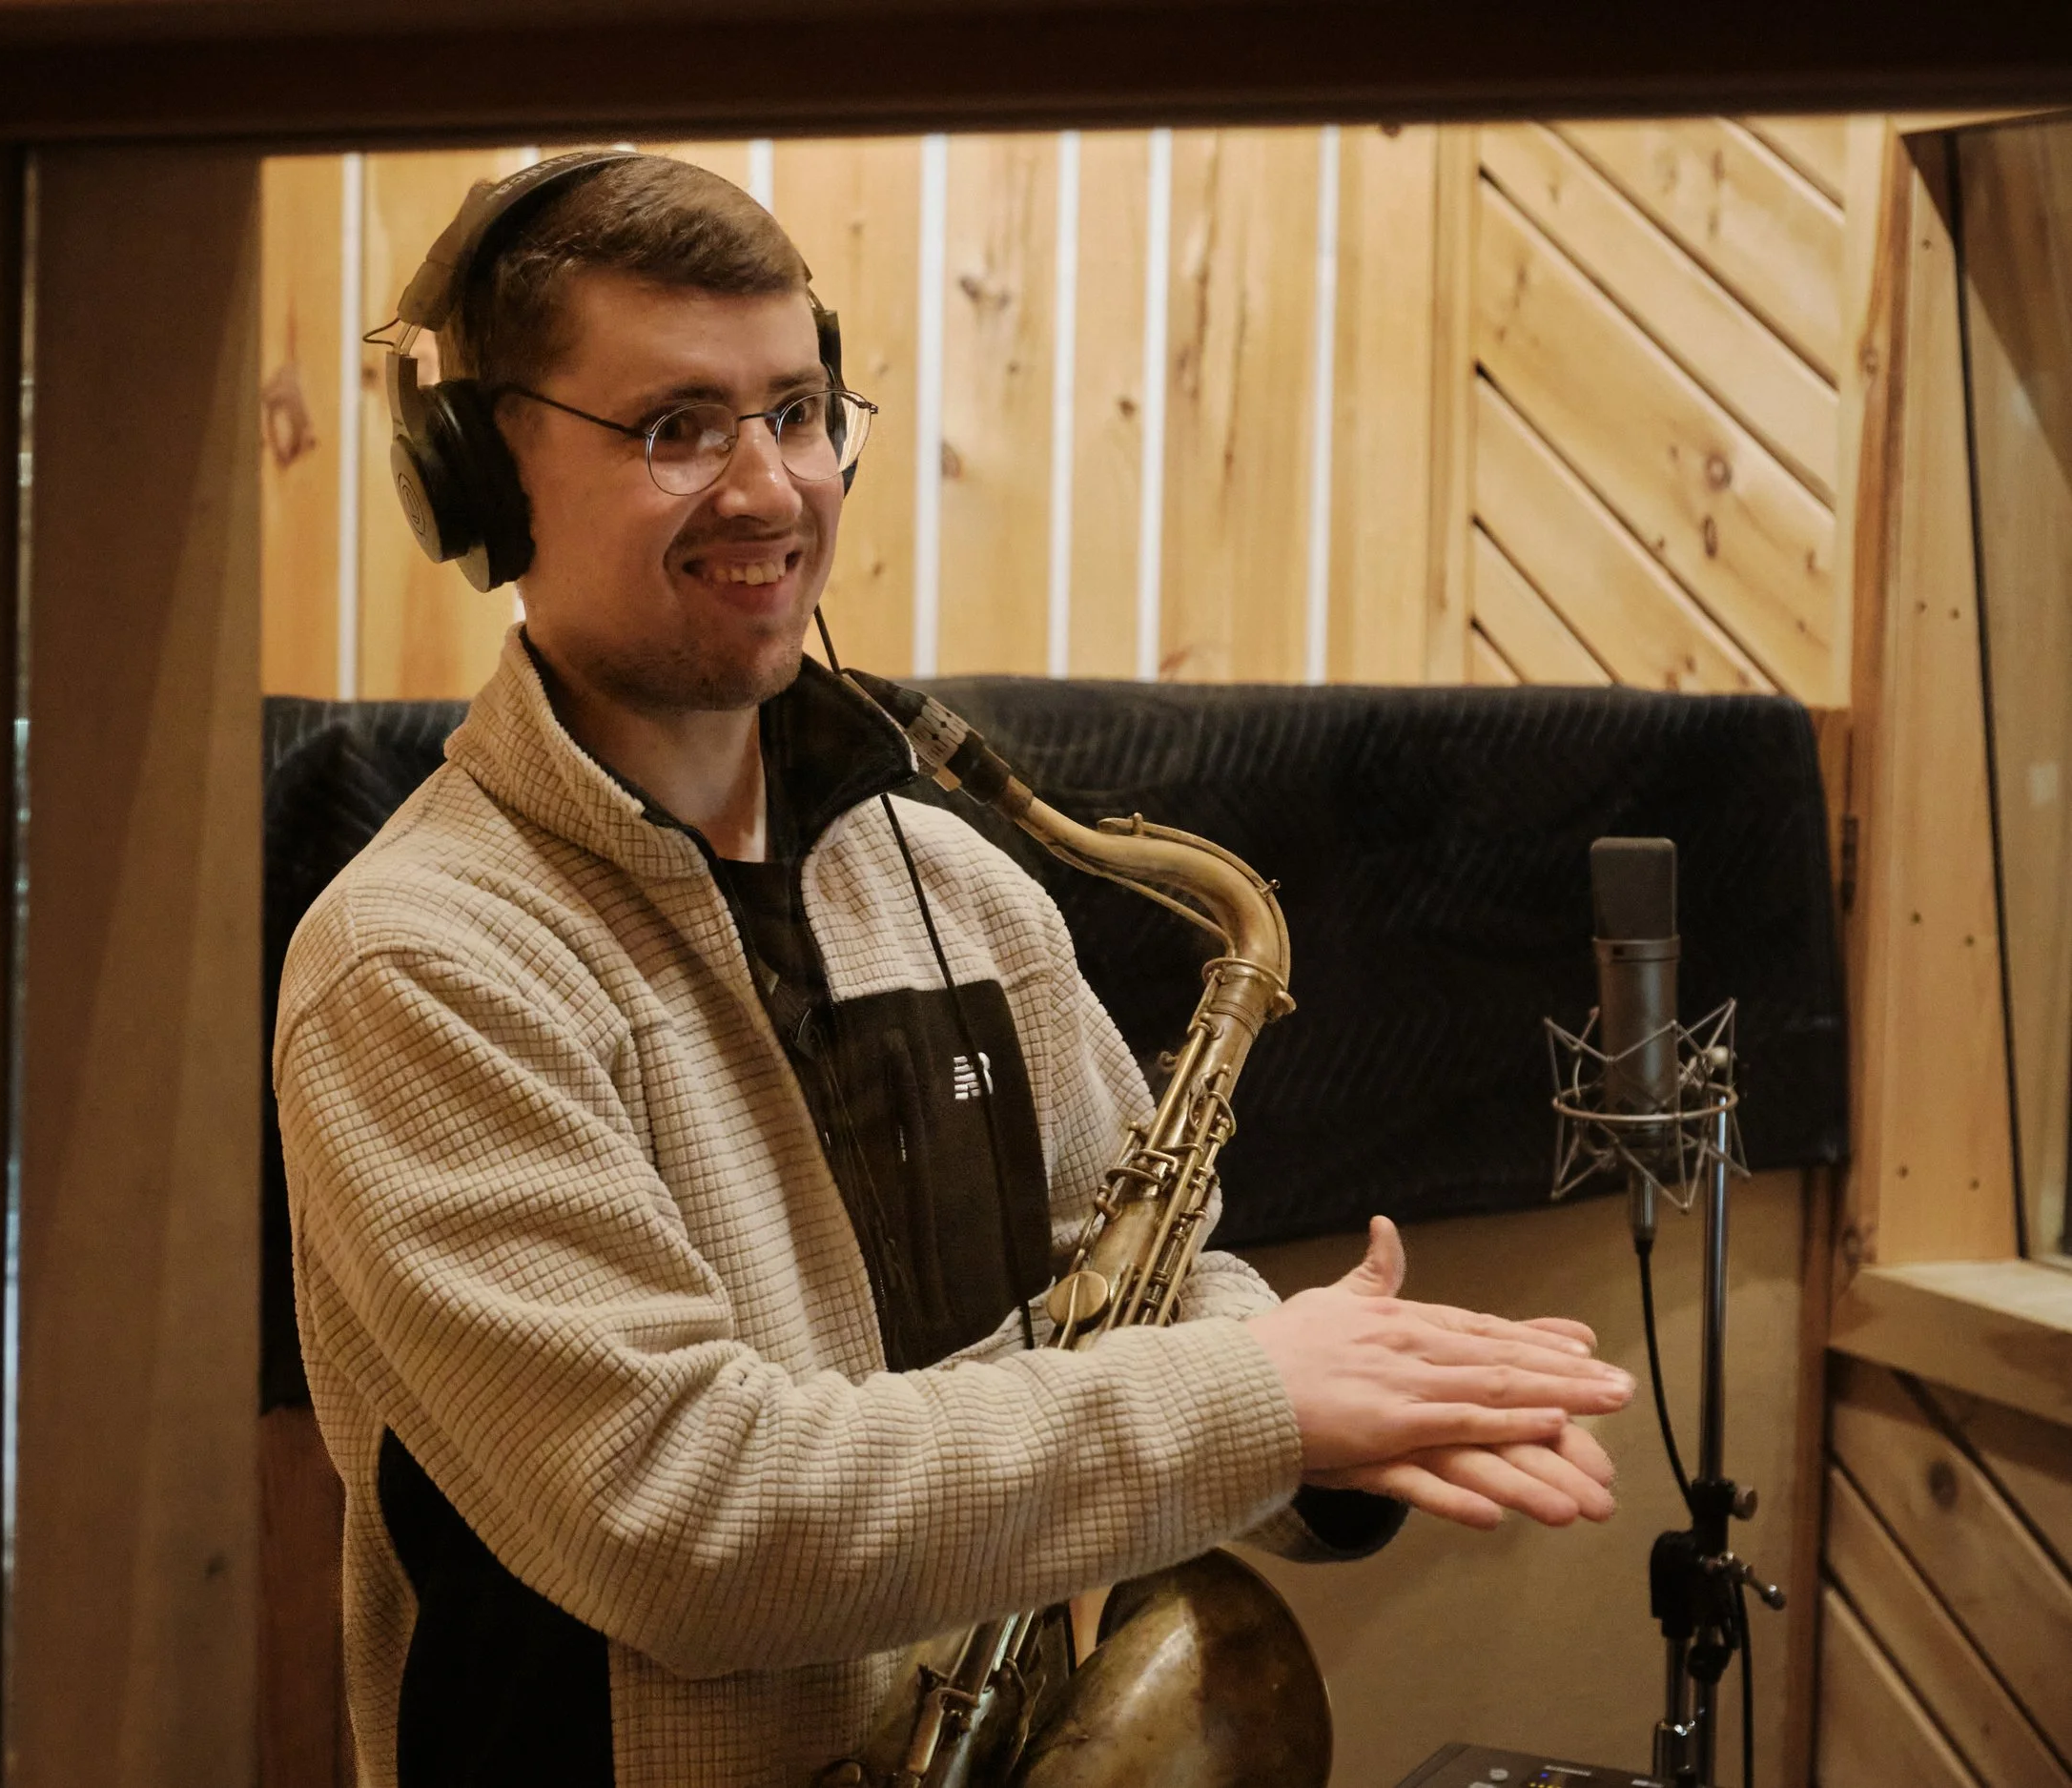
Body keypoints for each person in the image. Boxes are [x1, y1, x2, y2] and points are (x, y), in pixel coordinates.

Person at [273, 152, 1634, 1788]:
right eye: (678, 427)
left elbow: (1128, 1279)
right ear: (484, 477)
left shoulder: (960, 889)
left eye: (796, 409)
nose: (770, 490)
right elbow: (692, 1516)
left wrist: (1346, 1427)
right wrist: (1254, 1403)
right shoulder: (421, 965)